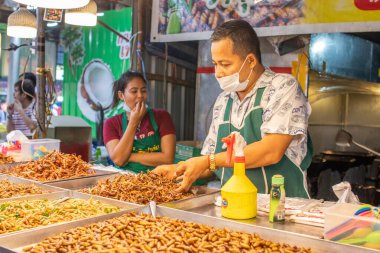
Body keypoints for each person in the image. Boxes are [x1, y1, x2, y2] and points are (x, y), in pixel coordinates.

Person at [154, 20, 313, 198]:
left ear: (250, 60)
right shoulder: (223, 101)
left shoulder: (282, 87)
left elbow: (271, 151)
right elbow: (211, 165)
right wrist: (178, 170)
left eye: (225, 64)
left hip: (282, 208)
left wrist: (208, 160)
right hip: (233, 207)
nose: (218, 73)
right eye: (215, 64)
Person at [103, 70, 176, 173]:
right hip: (124, 183)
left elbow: (168, 158)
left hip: (158, 181)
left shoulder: (162, 116)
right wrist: (133, 122)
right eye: (134, 91)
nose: (140, 95)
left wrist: (128, 156)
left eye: (144, 91)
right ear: (121, 96)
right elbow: (118, 160)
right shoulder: (111, 124)